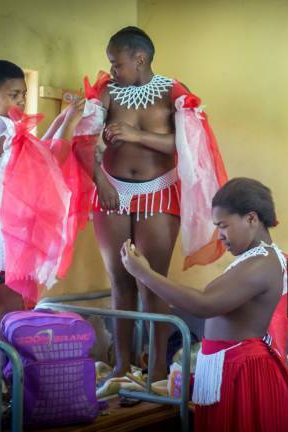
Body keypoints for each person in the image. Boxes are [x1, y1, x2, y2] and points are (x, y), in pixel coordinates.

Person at [91, 26, 227, 382]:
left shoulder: (174, 91)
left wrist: (135, 134)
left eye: (117, 63)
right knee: (120, 281)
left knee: (152, 280)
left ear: (140, 59)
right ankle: (122, 365)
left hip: (159, 192)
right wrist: (100, 179)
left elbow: (188, 146)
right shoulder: (106, 92)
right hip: (110, 191)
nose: (112, 70)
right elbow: (84, 141)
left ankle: (156, 370)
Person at [120, 178, 288, 432]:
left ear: (251, 219)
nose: (219, 235)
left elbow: (204, 305)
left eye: (223, 225)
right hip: (230, 367)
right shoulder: (251, 259)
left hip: (244, 372)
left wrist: (146, 275)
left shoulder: (262, 263)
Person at [0, 60, 85, 341]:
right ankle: (4, 381)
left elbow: (40, 155)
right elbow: (49, 164)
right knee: (6, 326)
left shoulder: (5, 130)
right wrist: (70, 122)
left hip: (7, 239)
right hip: (0, 244)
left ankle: (6, 379)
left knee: (12, 322)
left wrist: (63, 122)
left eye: (23, 95)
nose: (20, 101)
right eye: (13, 95)